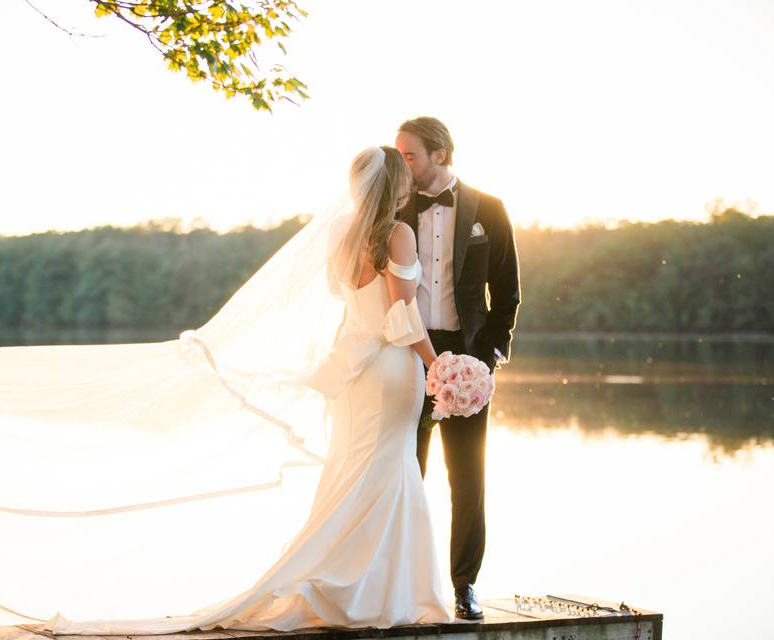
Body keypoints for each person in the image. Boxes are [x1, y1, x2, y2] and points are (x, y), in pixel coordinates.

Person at [42, 146, 456, 634]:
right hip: (387, 368)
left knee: (352, 468)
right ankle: (376, 593)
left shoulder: (342, 233)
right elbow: (402, 316)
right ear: (396, 186)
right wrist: (440, 366)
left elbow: (338, 295)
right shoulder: (398, 234)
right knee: (390, 469)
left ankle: (348, 583)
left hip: (348, 371)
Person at [394, 117, 521, 621]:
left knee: (468, 477)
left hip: (466, 361)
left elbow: (507, 291)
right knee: (407, 472)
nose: (403, 163)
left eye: (410, 155)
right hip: (405, 357)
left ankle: (465, 585)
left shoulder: (489, 209)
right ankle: (403, 581)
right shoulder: (396, 211)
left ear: (440, 154)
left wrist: (485, 362)